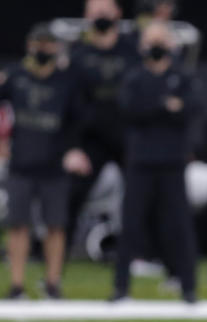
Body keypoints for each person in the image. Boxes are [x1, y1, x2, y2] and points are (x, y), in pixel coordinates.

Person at [110, 20, 199, 302]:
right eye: (152, 41)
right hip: (140, 161)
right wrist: (164, 105)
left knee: (179, 224)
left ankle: (188, 288)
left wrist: (160, 108)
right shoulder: (134, 76)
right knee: (131, 223)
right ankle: (120, 288)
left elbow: (191, 108)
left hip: (172, 161)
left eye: (162, 41)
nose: (157, 48)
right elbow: (129, 109)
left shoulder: (181, 76)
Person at [0, 23, 89, 299]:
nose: (43, 51)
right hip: (22, 161)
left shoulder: (66, 81)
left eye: (48, 46)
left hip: (54, 163)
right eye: (39, 45)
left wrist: (74, 150)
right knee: (18, 224)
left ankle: (52, 283)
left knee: (55, 225)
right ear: (30, 47)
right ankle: (16, 285)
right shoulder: (16, 76)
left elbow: (79, 121)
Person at [68, 0, 141, 251]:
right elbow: (70, 107)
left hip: (127, 136)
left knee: (141, 196)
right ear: (86, 15)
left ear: (117, 13)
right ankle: (52, 254)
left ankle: (142, 255)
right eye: (94, 10)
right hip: (91, 139)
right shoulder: (78, 55)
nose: (100, 15)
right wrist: (73, 147)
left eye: (105, 9)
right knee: (70, 192)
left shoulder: (132, 51)